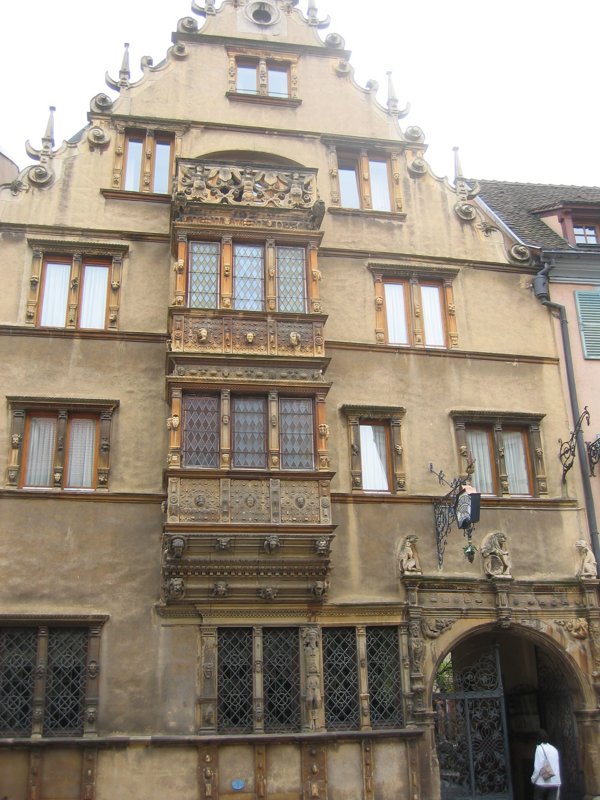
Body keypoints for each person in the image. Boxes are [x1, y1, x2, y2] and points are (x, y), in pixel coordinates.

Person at [531, 729, 561, 799]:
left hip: (542, 781)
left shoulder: (539, 748)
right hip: (555, 781)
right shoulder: (554, 749)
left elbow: (538, 768)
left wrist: (533, 779)